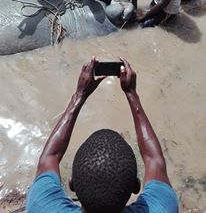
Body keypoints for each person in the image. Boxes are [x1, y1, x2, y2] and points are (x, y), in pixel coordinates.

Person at [26, 57, 178, 213]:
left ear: (72, 183)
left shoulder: (41, 205)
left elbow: (49, 157)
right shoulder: (162, 208)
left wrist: (79, 95)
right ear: (136, 186)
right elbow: (155, 160)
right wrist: (131, 93)